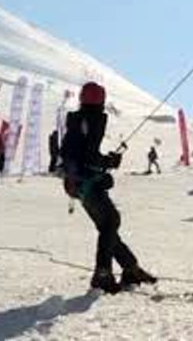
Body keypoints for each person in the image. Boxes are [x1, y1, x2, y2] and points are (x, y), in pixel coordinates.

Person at [60, 81, 157, 294]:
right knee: (111, 221)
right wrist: (108, 162)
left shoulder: (80, 120)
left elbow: (79, 153)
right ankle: (103, 274)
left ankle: (130, 268)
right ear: (101, 101)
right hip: (85, 182)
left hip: (78, 182)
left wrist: (103, 164)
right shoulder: (91, 119)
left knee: (107, 226)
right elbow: (88, 156)